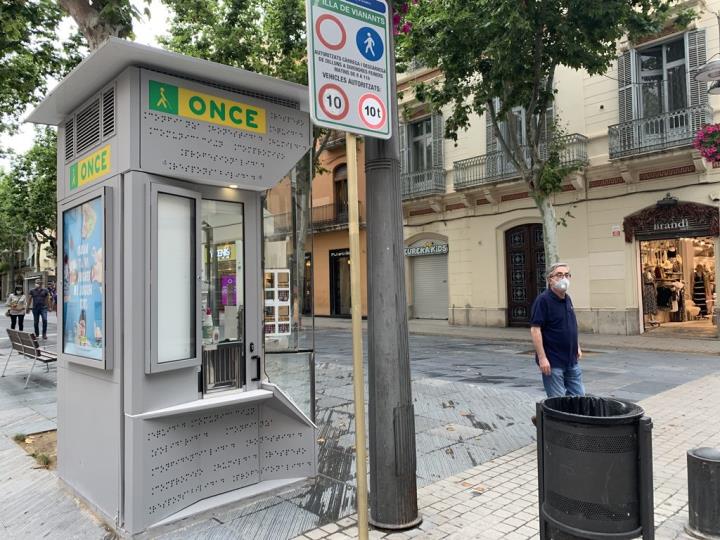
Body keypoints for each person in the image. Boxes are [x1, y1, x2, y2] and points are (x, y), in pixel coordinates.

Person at [530, 262, 585, 398]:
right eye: (559, 275)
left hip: (571, 360)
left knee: (579, 397)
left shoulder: (567, 299)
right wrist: (542, 358)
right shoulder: (543, 300)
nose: (563, 278)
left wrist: (576, 346)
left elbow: (570, 324)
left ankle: (545, 416)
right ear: (550, 279)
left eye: (566, 275)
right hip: (553, 362)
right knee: (557, 401)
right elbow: (535, 330)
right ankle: (547, 417)